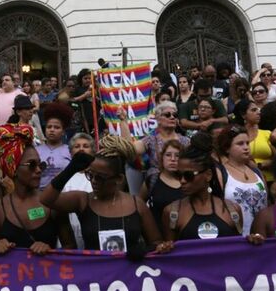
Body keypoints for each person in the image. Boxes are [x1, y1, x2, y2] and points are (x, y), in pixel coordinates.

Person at [42, 135, 173, 255]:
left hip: (129, 278)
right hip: (95, 278)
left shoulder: (136, 204)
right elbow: (46, 199)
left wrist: (144, 250)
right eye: (91, 175)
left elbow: (156, 242)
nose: (93, 181)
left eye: (100, 178)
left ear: (119, 179)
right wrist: (70, 169)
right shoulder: (83, 200)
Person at [0, 124, 72, 254]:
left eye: (40, 164)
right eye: (32, 165)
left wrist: (50, 250)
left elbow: (71, 248)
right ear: (14, 169)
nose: (39, 170)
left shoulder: (53, 203)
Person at [162, 144, 241, 240]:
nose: (182, 180)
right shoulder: (172, 212)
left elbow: (238, 247)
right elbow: (170, 252)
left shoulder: (233, 210)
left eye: (188, 175)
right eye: (178, 175)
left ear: (208, 175)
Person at [214, 125, 268, 237]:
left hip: (260, 238)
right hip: (233, 238)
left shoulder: (257, 172)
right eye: (240, 144)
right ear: (227, 148)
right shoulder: (220, 172)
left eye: (247, 143)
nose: (246, 147)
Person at [122, 101, 189, 186]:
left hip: (180, 185)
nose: (172, 117)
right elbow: (129, 149)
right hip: (156, 185)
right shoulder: (151, 140)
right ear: (158, 119)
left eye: (175, 115)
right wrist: (123, 120)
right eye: (167, 115)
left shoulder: (186, 141)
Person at [234, 99, 276, 181]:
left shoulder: (267, 134)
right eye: (254, 110)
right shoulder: (236, 136)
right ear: (243, 115)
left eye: (258, 110)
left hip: (269, 179)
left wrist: (267, 163)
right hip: (244, 179)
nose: (258, 112)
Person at [144, 139, 185, 230]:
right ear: (162, 158)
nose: (173, 159)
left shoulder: (187, 181)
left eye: (177, 156)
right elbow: (141, 206)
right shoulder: (152, 179)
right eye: (168, 155)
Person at [35, 102, 73, 186]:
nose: (52, 130)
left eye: (57, 127)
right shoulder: (36, 150)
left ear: (63, 132)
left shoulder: (70, 151)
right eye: (49, 127)